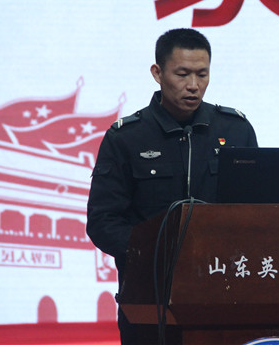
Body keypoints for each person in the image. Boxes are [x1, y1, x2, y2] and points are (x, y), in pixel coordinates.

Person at [86, 28, 258, 344]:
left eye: (202, 74)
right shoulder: (126, 138)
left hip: (221, 296)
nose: (193, 85)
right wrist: (158, 253)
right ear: (158, 73)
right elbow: (102, 222)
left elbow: (257, 212)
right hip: (148, 301)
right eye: (182, 74)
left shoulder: (236, 130)